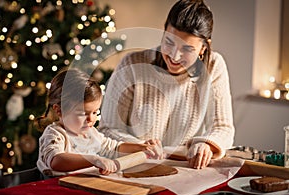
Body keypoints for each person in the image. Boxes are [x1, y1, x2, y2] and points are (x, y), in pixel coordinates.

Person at [99, 0, 234, 169]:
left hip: (185, 170)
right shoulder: (131, 65)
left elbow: (223, 128)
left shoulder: (214, 66)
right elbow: (107, 129)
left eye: (187, 49)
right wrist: (140, 147)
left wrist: (207, 144)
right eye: (169, 42)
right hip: (135, 166)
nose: (174, 56)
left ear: (203, 48)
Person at [36, 67, 164, 177]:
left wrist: (142, 147)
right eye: (83, 113)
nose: (91, 119)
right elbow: (56, 161)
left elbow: (113, 147)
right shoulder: (55, 134)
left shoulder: (91, 133)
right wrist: (93, 160)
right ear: (59, 110)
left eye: (95, 112)